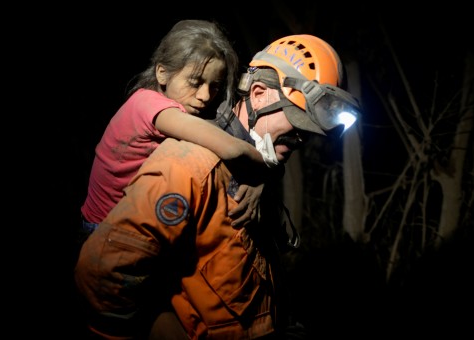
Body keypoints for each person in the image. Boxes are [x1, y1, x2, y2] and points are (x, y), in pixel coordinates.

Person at [74, 34, 362, 339]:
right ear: (260, 93)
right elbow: (100, 275)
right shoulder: (188, 165)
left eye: (310, 132)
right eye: (297, 123)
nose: (300, 140)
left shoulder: (261, 167)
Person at [79, 19, 268, 244]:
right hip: (104, 231)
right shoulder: (152, 107)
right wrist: (265, 170)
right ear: (162, 73)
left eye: (214, 86)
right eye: (195, 82)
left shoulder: (155, 100)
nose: (205, 96)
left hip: (122, 219)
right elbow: (230, 148)